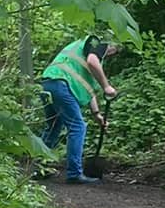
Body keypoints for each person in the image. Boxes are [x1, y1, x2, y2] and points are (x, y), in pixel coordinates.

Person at [39, 34, 119, 183]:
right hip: (62, 84)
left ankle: (39, 168)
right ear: (111, 45)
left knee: (53, 127)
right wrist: (106, 86)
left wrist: (97, 114)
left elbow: (89, 91)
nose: (110, 53)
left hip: (48, 83)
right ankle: (74, 174)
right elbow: (92, 61)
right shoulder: (96, 42)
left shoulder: (82, 51)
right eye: (113, 50)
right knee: (77, 127)